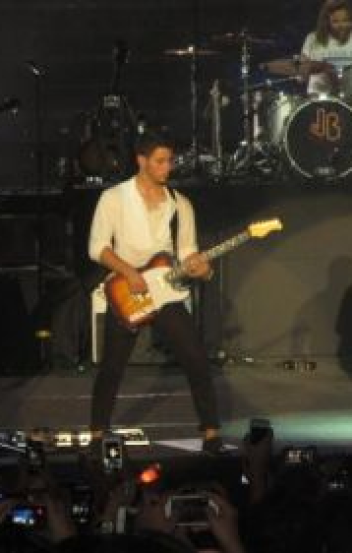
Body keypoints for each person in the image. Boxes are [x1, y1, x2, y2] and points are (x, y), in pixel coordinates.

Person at [87, 131, 226, 455]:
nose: (167, 167)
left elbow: (187, 250)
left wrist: (201, 268)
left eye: (170, 161)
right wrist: (129, 272)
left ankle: (210, 432)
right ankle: (97, 434)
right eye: (160, 161)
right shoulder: (114, 198)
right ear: (142, 161)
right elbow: (97, 247)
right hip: (126, 289)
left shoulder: (180, 204)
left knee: (196, 357)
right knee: (112, 367)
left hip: (165, 291)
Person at [299, 0, 352, 96]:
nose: (341, 25)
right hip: (319, 92)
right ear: (326, 21)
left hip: (350, 91)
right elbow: (303, 65)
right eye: (335, 21)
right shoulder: (312, 38)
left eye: (345, 20)